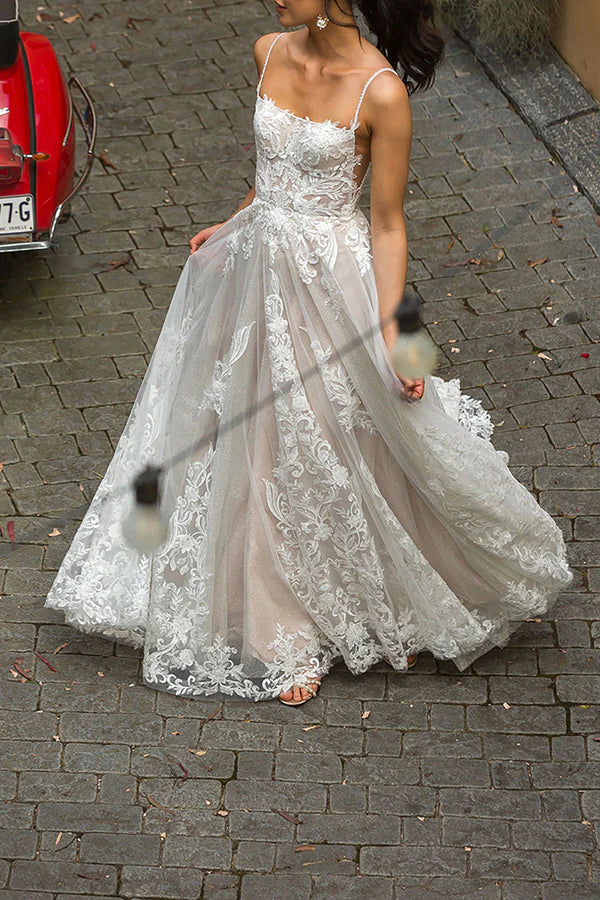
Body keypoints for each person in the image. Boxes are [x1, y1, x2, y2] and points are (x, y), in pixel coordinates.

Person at [44, 0, 574, 707]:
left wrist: (393, 332)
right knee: (257, 444)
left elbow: (387, 223)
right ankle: (281, 631)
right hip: (256, 271)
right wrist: (233, 220)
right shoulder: (268, 51)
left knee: (333, 436)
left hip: (331, 285)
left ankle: (396, 588)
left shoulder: (380, 92)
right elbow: (273, 172)